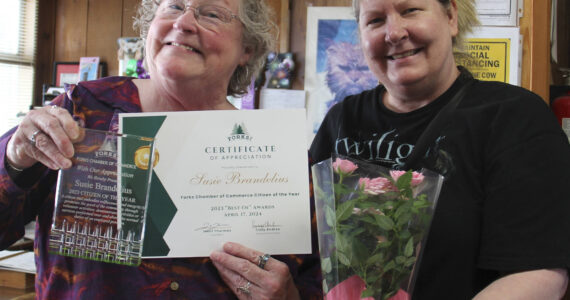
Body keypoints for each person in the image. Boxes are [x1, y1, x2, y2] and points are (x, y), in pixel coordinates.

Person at [0, 0, 322, 299]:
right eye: (173, 6)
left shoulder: (280, 157)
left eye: (211, 13)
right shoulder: (82, 111)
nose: (183, 22)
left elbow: (323, 279)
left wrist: (292, 296)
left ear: (246, 49)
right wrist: (14, 160)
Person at [310, 0, 570, 298]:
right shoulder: (341, 120)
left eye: (410, 10)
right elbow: (309, 256)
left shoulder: (514, 119)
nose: (394, 32)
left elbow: (539, 273)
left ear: (451, 17)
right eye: (375, 20)